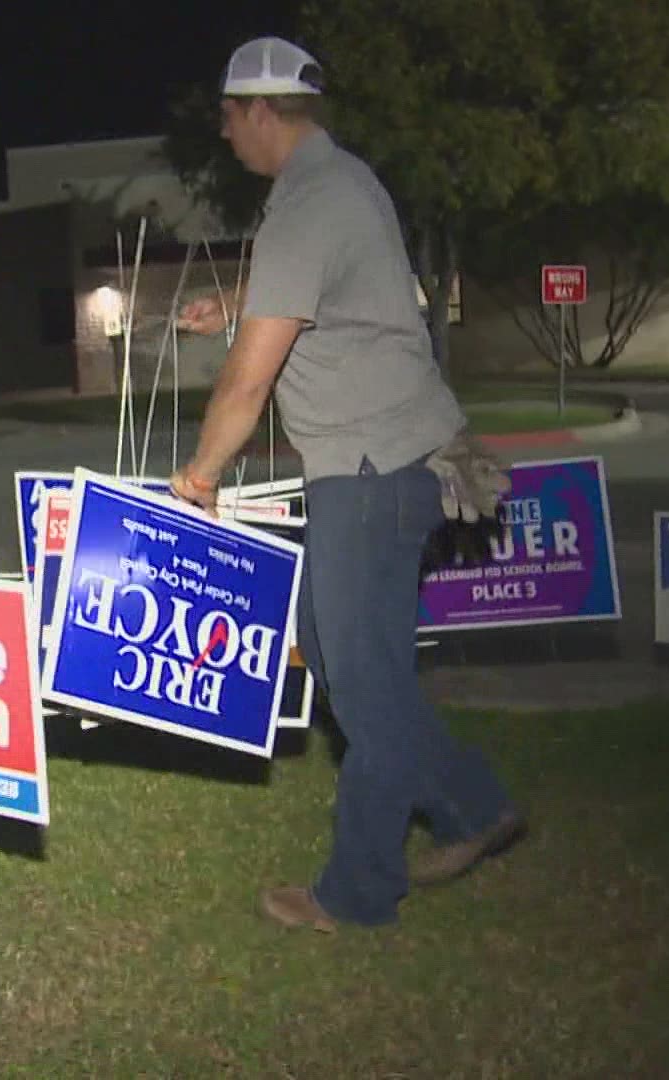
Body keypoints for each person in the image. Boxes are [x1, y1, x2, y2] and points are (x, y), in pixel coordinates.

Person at [168, 36, 523, 933]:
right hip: (378, 460)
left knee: (364, 687)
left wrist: (202, 474)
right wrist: (239, 300)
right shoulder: (336, 183)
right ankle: (476, 807)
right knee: (335, 659)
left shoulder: (311, 202)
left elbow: (251, 379)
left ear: (258, 111)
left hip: (370, 468)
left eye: (227, 113)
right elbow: (305, 290)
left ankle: (358, 891)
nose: (224, 131)